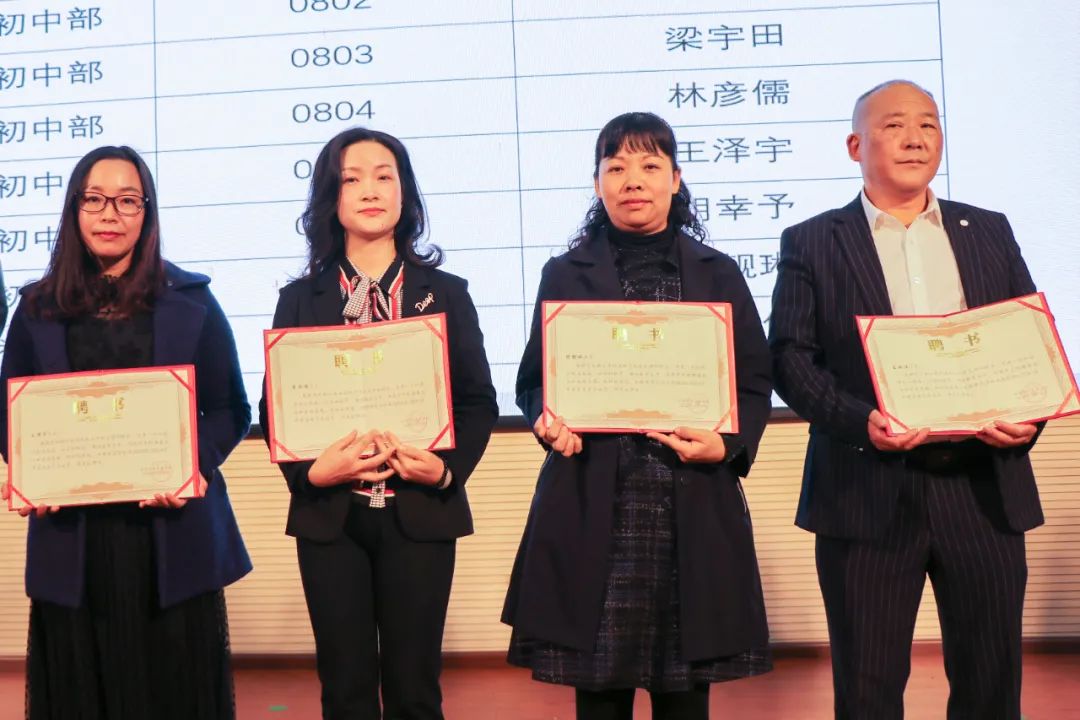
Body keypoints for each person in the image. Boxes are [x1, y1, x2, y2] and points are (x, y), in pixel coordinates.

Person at [769, 80, 1044, 720]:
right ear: (855, 146)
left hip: (982, 487)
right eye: (895, 125)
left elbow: (1028, 344)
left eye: (928, 124)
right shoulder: (813, 240)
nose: (916, 138)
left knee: (991, 684)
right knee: (867, 689)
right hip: (865, 489)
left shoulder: (989, 230)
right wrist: (860, 420)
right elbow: (790, 358)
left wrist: (1028, 420)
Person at [502, 112, 774, 720]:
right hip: (594, 500)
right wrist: (546, 418)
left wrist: (727, 444)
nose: (633, 180)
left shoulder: (718, 273)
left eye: (650, 165)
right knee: (599, 697)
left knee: (685, 700)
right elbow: (535, 379)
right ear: (598, 182)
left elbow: (753, 380)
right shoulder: (564, 273)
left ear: (675, 180)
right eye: (616, 166)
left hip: (691, 501)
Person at [0, 145, 252, 719]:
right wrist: (31, 472)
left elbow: (230, 409)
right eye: (94, 199)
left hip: (170, 533)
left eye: (127, 200)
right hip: (74, 538)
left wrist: (190, 465)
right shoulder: (36, 308)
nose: (109, 214)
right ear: (74, 209)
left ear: (147, 212)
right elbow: (10, 413)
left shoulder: (191, 300)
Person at [259, 127, 498, 720]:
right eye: (352, 178)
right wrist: (310, 474)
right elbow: (274, 408)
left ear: (404, 193)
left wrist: (444, 471)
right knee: (345, 691)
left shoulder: (447, 294)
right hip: (330, 518)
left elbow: (477, 401)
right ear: (330, 198)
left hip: (420, 512)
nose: (370, 190)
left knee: (416, 690)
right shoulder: (299, 300)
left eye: (384, 176)